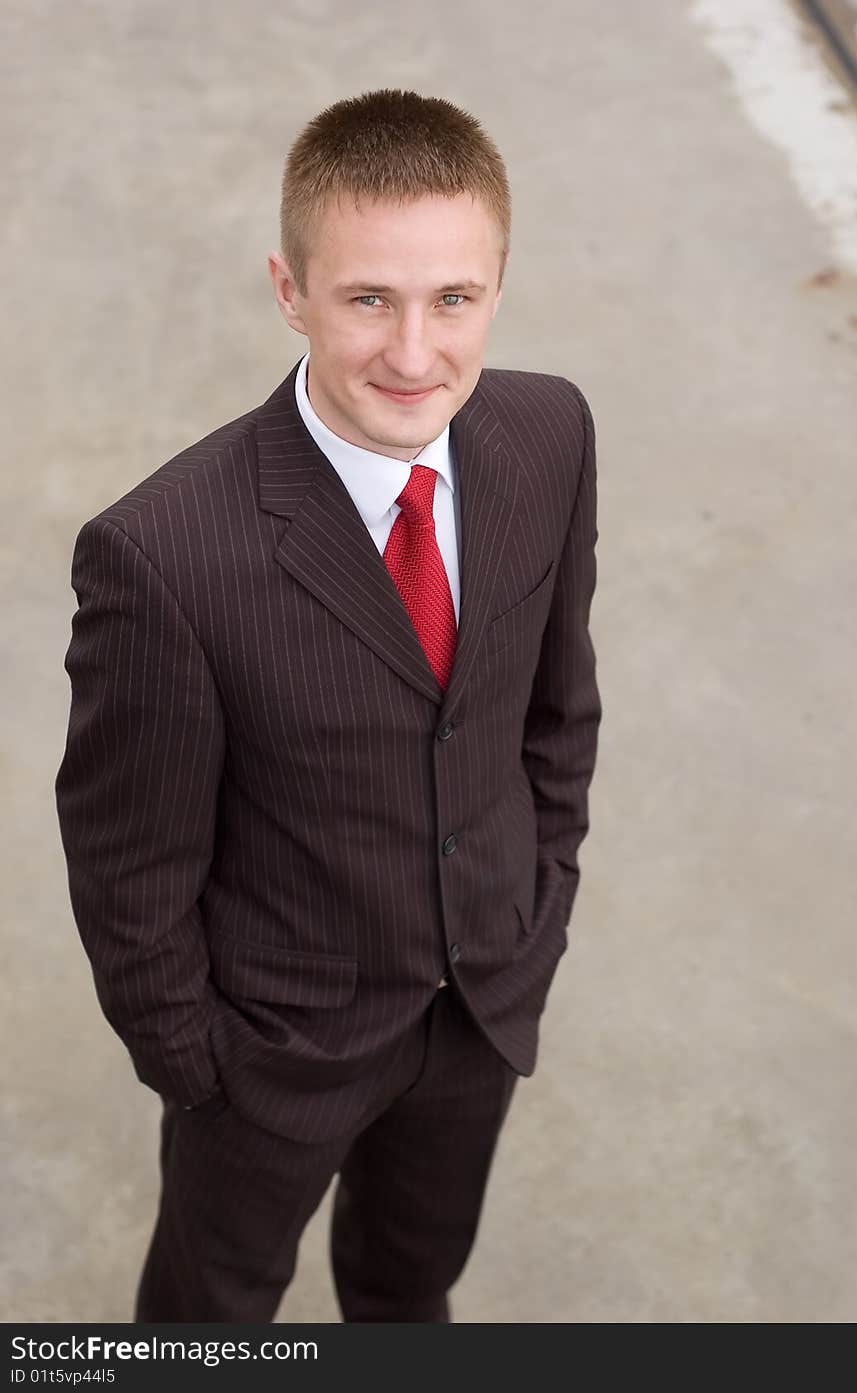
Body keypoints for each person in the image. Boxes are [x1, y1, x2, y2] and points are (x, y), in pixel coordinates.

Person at [54, 86, 601, 1323]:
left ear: (497, 286)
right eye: (367, 298)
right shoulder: (164, 554)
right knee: (209, 1313)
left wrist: (539, 910)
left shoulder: (548, 433)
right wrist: (198, 1066)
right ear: (288, 290)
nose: (414, 353)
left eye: (451, 298)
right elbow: (126, 860)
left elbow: (555, 715)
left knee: (410, 1287)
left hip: (479, 1010)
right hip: (271, 1050)